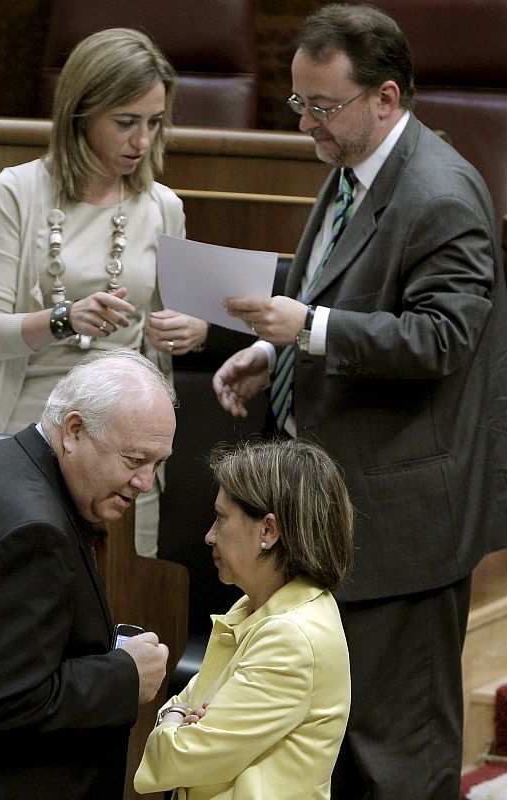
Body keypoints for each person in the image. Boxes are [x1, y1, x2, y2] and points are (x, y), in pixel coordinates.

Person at [212, 4, 507, 799]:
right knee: (339, 743)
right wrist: (272, 352)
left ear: (384, 97)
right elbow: (336, 301)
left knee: (397, 750)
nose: (306, 121)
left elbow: (443, 339)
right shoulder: (351, 171)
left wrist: (304, 326)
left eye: (323, 105)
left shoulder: (440, 193)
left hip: (404, 524)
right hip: (343, 508)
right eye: (297, 103)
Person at [0, 27, 208, 558]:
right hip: (21, 429)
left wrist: (191, 330)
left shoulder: (165, 207)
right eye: (125, 123)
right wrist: (63, 318)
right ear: (80, 114)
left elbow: (173, 328)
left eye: (154, 122)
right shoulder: (16, 193)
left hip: (124, 443)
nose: (142, 141)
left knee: (117, 608)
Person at [0, 348, 176, 800]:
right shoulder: (34, 533)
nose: (145, 482)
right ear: (74, 431)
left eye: (157, 465)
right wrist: (125, 675)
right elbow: (2, 702)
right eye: (133, 460)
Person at [134, 438, 353, 800]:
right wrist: (178, 715)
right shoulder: (251, 609)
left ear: (268, 530)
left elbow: (172, 758)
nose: (209, 536)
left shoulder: (291, 637)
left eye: (221, 519)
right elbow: (181, 708)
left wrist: (172, 720)